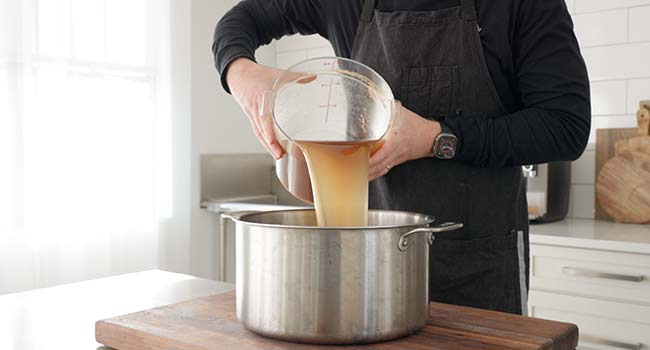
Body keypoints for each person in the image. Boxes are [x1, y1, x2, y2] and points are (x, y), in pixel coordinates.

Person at [213, 0, 590, 315]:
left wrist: (435, 137)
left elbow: (566, 126)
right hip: (371, 270)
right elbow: (240, 21)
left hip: (481, 272)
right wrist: (242, 75)